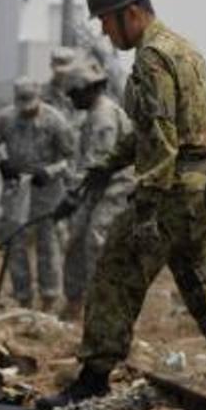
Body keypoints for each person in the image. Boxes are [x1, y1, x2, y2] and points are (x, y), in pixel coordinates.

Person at [39, 0, 206, 410]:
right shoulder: (183, 48)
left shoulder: (150, 58)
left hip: (172, 193)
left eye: (107, 23)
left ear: (129, 13)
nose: (107, 35)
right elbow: (152, 128)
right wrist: (104, 166)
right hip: (205, 191)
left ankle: (93, 379)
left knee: (114, 272)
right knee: (203, 287)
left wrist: (145, 207)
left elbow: (163, 141)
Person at [0, 78, 77, 311]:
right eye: (22, 106)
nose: (27, 111)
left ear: (39, 99)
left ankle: (49, 297)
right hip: (17, 185)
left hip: (47, 187)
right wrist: (1, 163)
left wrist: (51, 171)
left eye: (31, 106)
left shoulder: (56, 121)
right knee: (16, 242)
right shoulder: (3, 119)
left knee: (48, 243)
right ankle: (23, 297)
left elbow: (72, 156)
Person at [61, 58, 135, 322]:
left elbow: (97, 165)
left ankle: (104, 306)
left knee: (97, 240)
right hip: (96, 186)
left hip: (115, 186)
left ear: (86, 89)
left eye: (73, 94)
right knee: (76, 239)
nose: (71, 101)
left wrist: (72, 197)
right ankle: (75, 301)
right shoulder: (93, 114)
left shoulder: (104, 116)